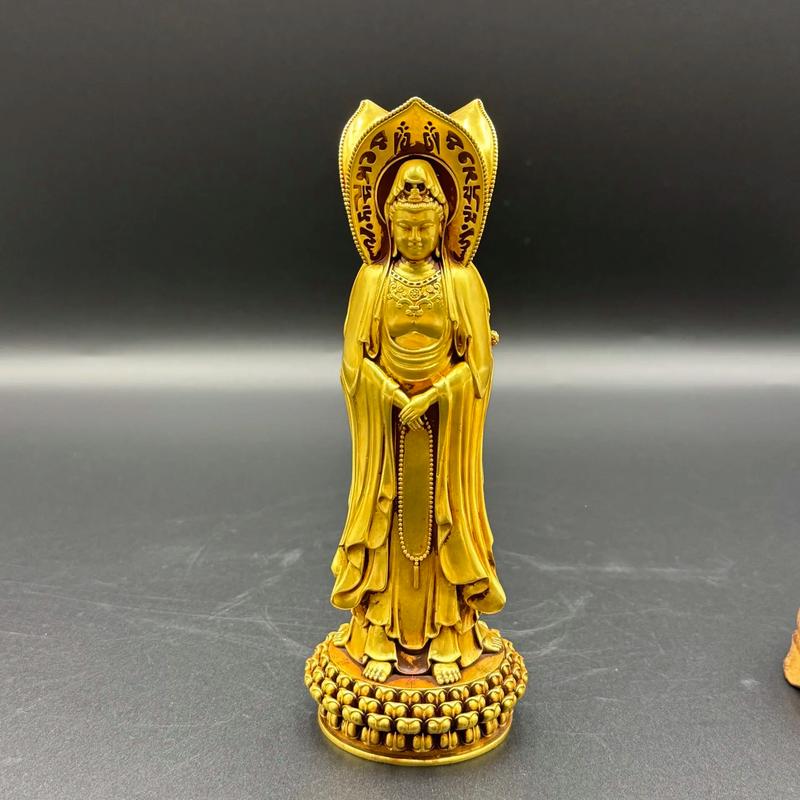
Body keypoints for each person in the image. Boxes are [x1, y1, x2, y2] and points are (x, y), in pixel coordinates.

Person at [329, 159, 505, 686]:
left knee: (443, 522)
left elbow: (479, 367)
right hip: (387, 430)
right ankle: (378, 636)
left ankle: (449, 636)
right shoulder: (371, 279)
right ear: (387, 223)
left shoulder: (461, 280)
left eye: (423, 229)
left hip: (443, 431)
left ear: (443, 223)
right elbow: (352, 362)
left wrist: (437, 392)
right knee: (384, 526)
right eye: (404, 229)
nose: (413, 238)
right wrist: (386, 391)